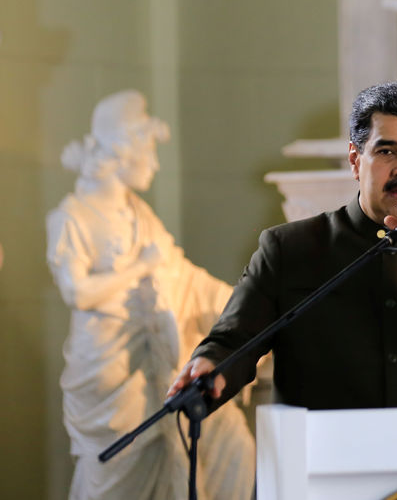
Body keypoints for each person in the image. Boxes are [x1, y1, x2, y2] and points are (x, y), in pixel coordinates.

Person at [168, 82, 397, 410]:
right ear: (355, 159)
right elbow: (234, 341)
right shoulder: (289, 249)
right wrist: (209, 366)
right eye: (386, 151)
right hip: (321, 472)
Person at [46, 90, 254, 500]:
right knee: (112, 473)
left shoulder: (137, 213)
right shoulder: (72, 216)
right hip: (107, 373)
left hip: (153, 363)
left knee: (214, 454)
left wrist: (241, 305)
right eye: (149, 153)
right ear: (124, 151)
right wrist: (139, 267)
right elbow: (78, 292)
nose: (155, 165)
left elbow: (179, 273)